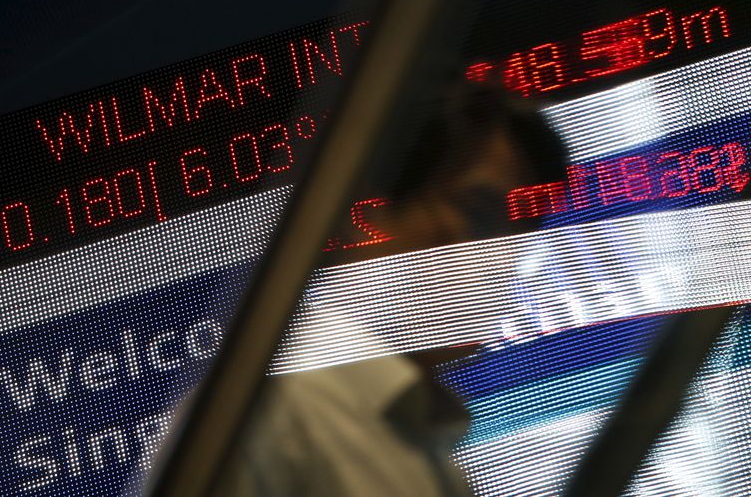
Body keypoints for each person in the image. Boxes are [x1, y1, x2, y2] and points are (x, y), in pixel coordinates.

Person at [213, 76, 568, 496]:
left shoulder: (422, 444)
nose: (509, 259)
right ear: (366, 215)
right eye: (480, 217)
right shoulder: (271, 412)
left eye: (520, 234)